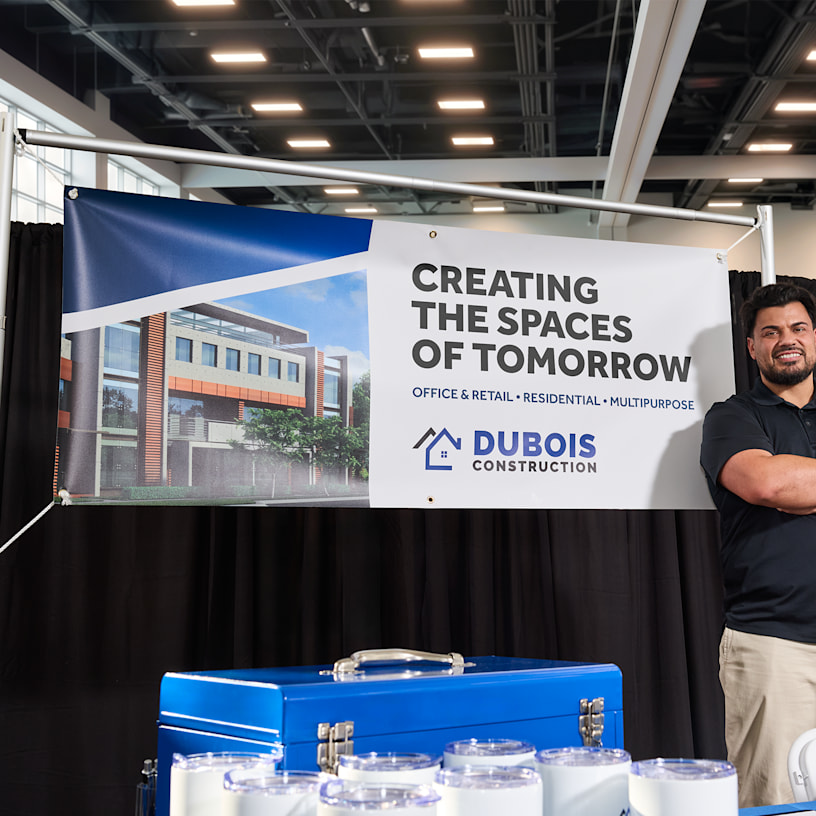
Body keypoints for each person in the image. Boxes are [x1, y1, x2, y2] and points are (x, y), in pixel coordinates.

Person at [701, 281, 816, 807]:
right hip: (774, 645)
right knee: (777, 801)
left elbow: (792, 485)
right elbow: (767, 484)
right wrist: (784, 486)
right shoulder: (733, 417)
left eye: (797, 328)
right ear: (752, 347)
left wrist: (799, 485)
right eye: (770, 331)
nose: (785, 339)